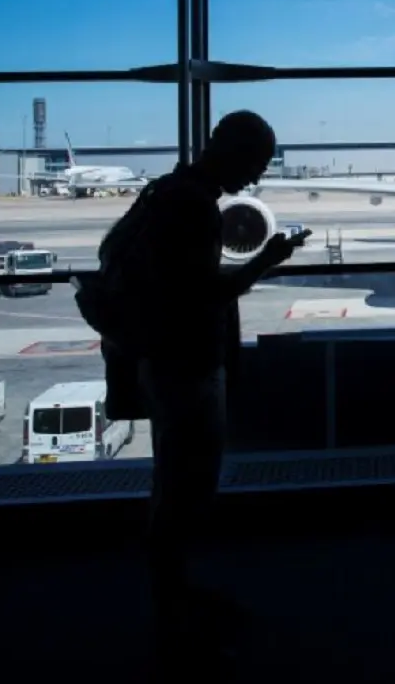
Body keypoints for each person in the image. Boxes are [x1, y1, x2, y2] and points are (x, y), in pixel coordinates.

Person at [128, 110, 305, 658]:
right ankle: (170, 610)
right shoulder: (193, 206)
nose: (254, 181)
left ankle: (171, 594)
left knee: (173, 486)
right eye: (254, 165)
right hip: (185, 365)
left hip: (165, 358)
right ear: (232, 150)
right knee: (186, 489)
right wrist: (267, 262)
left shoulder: (169, 193)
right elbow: (202, 293)